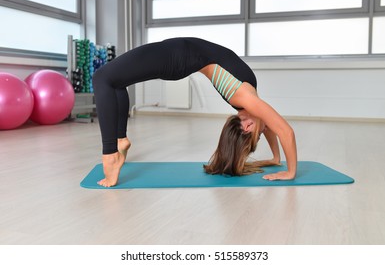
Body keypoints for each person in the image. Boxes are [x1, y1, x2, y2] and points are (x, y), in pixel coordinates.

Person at [92, 37, 297, 187]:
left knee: (102, 79)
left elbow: (279, 129)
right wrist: (278, 161)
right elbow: (279, 129)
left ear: (248, 125)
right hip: (180, 53)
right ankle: (120, 140)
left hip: (177, 56)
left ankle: (110, 155)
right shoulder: (250, 103)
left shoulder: (245, 100)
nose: (264, 131)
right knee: (115, 82)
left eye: (258, 135)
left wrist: (289, 172)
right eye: (260, 136)